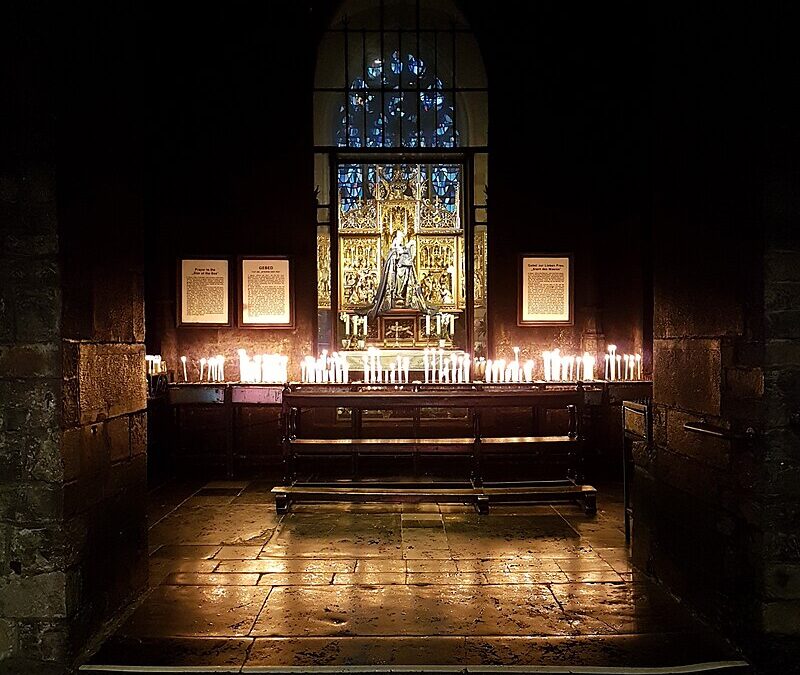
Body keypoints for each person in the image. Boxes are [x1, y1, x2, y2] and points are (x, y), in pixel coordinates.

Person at [369, 230, 428, 318]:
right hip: (398, 271)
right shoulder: (394, 249)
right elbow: (393, 257)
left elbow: (410, 256)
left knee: (405, 282)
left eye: (402, 238)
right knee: (399, 282)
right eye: (399, 238)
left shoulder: (404, 248)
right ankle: (397, 295)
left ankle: (402, 296)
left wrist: (409, 249)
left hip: (405, 269)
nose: (400, 240)